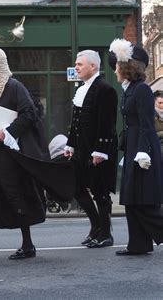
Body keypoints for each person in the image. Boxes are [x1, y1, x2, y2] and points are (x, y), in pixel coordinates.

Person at [0, 47, 74, 262]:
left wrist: (8, 132)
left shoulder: (14, 86)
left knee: (15, 193)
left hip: (8, 152)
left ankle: (28, 244)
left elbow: (29, 114)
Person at [109, 38, 163, 256]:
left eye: (116, 66)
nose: (114, 70)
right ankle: (138, 244)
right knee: (132, 200)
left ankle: (140, 243)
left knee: (142, 202)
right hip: (133, 147)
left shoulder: (141, 90)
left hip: (143, 150)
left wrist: (142, 151)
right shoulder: (129, 89)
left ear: (126, 67)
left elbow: (145, 124)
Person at [64, 50, 118, 248]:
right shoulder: (82, 89)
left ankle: (105, 234)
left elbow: (107, 124)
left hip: (97, 151)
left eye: (80, 64)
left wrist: (100, 151)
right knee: (77, 188)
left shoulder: (105, 89)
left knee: (100, 192)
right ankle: (96, 227)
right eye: (76, 64)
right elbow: (75, 122)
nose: (76, 67)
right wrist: (70, 144)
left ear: (92, 66)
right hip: (80, 149)